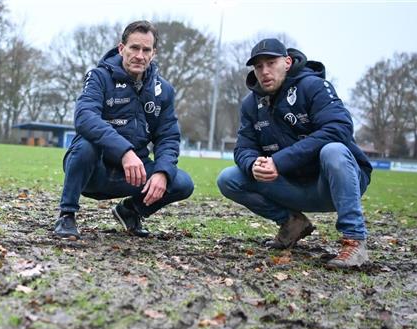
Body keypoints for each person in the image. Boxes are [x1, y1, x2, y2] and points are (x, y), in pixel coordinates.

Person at [216, 38, 373, 268]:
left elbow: (338, 128)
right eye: (259, 66)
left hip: (329, 185)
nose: (264, 71)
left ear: (287, 62)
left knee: (334, 151)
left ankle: (354, 240)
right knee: (229, 178)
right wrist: (253, 164)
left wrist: (279, 161)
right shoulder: (251, 104)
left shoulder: (313, 86)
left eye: (271, 63)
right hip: (291, 186)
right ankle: (292, 223)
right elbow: (243, 147)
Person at [54, 20, 194, 240]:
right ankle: (67, 215)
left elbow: (168, 136)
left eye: (146, 50)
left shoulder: (163, 90)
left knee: (181, 183)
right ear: (121, 48)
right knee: (85, 146)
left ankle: (130, 211)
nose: (139, 55)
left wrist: (162, 172)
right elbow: (85, 117)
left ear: (154, 53)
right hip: (95, 171)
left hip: (133, 175)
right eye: (134, 48)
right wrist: (124, 152)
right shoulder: (99, 77)